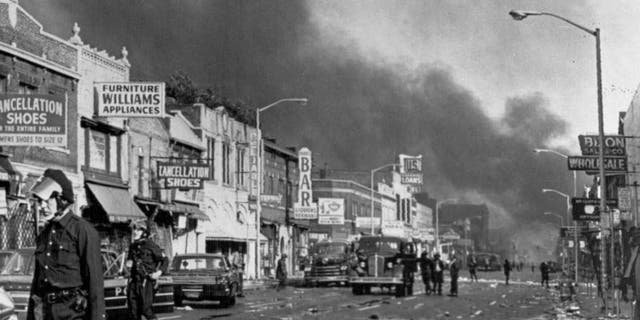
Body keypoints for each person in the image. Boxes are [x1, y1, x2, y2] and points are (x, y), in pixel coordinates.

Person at [27, 169, 105, 320]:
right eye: (40, 201)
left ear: (61, 200)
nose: (42, 206)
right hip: (44, 311)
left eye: (47, 200)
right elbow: (37, 282)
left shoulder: (83, 230)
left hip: (72, 312)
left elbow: (95, 284)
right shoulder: (44, 233)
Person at [126, 220, 169, 320]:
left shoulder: (151, 245)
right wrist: (128, 265)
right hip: (134, 282)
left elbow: (165, 260)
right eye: (134, 229)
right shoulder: (133, 246)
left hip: (146, 282)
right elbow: (129, 263)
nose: (135, 231)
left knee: (146, 309)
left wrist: (158, 273)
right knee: (133, 311)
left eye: (138, 229)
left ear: (144, 232)